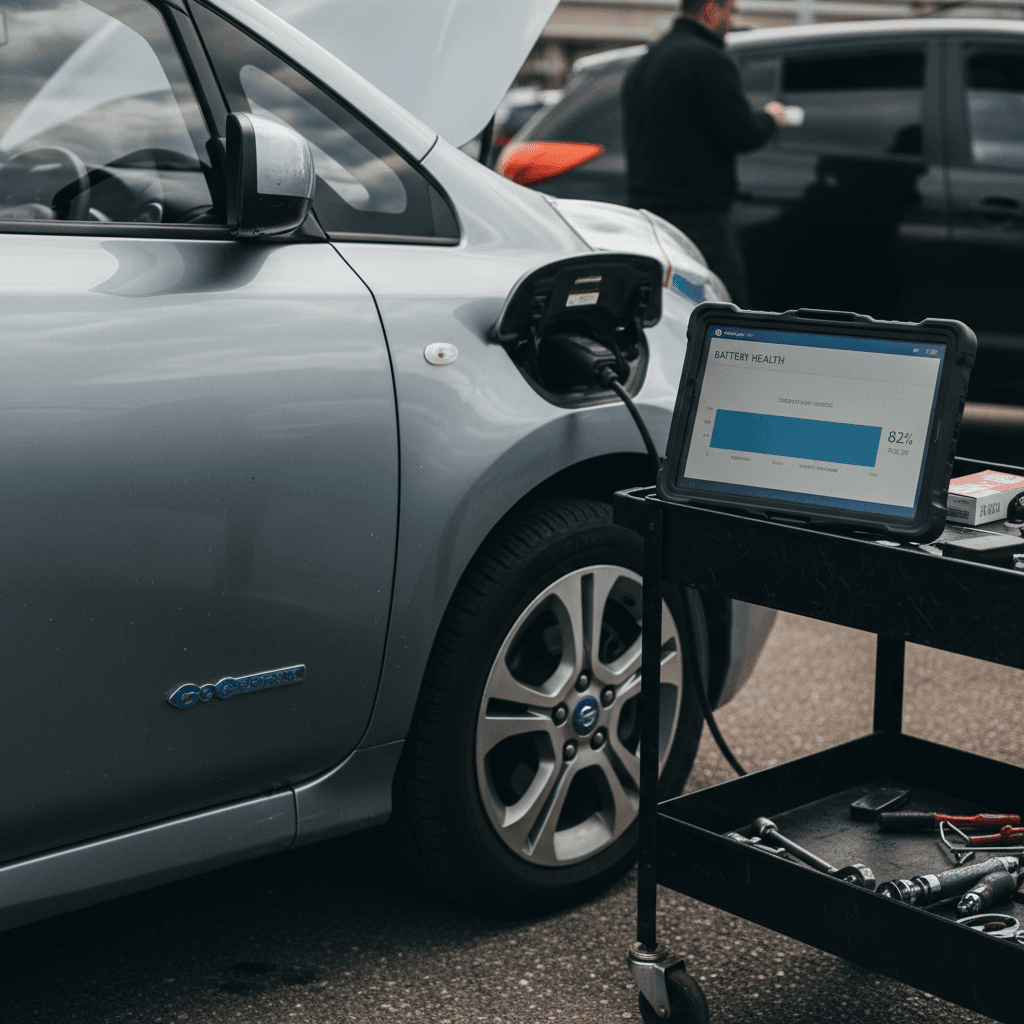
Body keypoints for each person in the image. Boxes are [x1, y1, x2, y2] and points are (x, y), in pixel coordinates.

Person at [622, 0, 791, 306]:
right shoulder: (707, 59)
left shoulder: (645, 61)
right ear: (711, 10)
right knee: (726, 314)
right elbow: (742, 132)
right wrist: (771, 117)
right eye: (731, 11)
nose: (733, 22)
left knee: (668, 310)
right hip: (697, 217)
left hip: (648, 216)